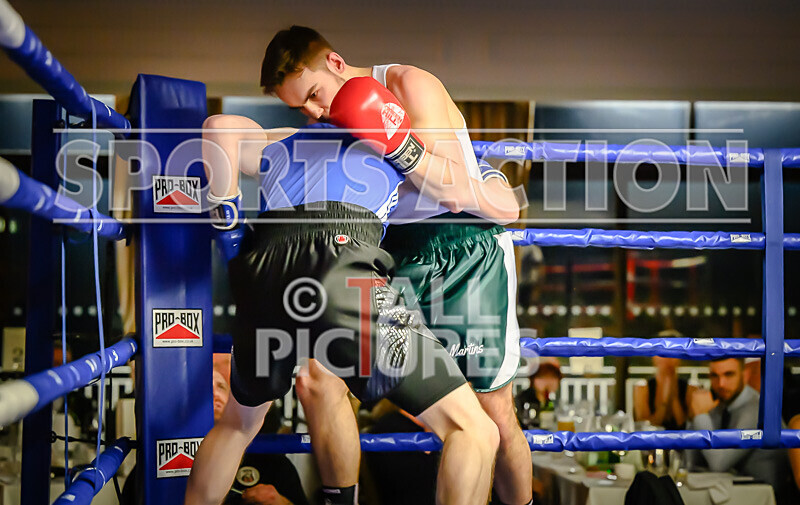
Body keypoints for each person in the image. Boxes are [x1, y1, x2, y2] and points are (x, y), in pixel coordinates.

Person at [260, 26, 531, 505]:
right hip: (382, 254)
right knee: (318, 378)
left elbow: (451, 189)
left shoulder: (409, 84)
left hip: (459, 250)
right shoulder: (325, 125)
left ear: (337, 63)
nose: (314, 113)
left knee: (492, 412)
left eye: (315, 96)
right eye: (300, 108)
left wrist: (394, 143)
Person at [184, 118, 501, 505]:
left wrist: (228, 223)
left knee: (237, 425)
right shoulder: (390, 136)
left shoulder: (283, 137)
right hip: (343, 259)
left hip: (264, 267)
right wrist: (472, 173)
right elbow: (490, 206)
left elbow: (218, 127)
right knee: (474, 429)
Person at [687, 357, 790, 497]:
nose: (721, 384)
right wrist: (693, 416)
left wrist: (700, 415)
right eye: (714, 376)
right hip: (736, 491)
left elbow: (718, 464)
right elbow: (689, 463)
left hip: (766, 497)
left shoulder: (757, 408)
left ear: (745, 374)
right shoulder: (721, 405)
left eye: (729, 374)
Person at [633, 344, 695, 430]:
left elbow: (685, 425)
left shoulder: (690, 388)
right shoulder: (642, 387)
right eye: (663, 354)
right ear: (654, 357)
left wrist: (673, 397)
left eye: (673, 355)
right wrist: (664, 402)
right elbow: (644, 426)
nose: (668, 359)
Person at [514, 360, 561, 430]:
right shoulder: (523, 401)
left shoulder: (551, 400)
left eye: (553, 377)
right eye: (542, 377)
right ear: (533, 379)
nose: (548, 382)